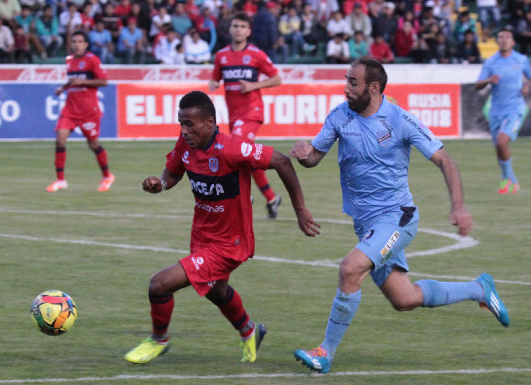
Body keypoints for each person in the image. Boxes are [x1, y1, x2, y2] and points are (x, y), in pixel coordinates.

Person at [290, 58, 510, 374]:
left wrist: (458, 207)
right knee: (404, 298)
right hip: (366, 225)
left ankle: (325, 352)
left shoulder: (400, 119)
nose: (346, 87)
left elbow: (445, 160)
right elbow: (314, 157)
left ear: (374, 87)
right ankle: (479, 288)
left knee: (350, 269)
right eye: (346, 80)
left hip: (397, 218)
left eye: (353, 82)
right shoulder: (339, 115)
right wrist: (303, 155)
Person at [124, 90, 320, 364]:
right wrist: (161, 184)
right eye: (181, 124)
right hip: (203, 237)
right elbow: (173, 171)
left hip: (230, 244)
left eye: (189, 124)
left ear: (210, 123)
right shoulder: (186, 144)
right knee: (216, 291)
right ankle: (249, 331)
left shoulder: (232, 148)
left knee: (159, 285)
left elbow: (281, 161)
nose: (184, 130)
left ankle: (159, 340)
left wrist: (300, 209)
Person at [209, 12, 284, 219]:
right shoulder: (221, 56)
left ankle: (242, 194)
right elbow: (214, 80)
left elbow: (277, 79)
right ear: (230, 29)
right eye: (235, 26)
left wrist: (254, 85)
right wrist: (213, 84)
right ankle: (271, 197)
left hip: (252, 111)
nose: (238, 30)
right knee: (246, 156)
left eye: (242, 26)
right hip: (234, 115)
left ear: (248, 31)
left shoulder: (256, 54)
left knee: (234, 151)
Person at [46, 31, 114, 193]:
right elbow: (73, 81)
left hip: (89, 111)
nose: (76, 44)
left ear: (86, 44)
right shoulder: (69, 61)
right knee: (60, 140)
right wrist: (63, 88)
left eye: (80, 41)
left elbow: (104, 81)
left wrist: (83, 81)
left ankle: (106, 176)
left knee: (93, 144)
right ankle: (60, 180)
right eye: (74, 41)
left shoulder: (92, 60)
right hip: (70, 109)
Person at [476, 27, 531, 194]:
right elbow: (478, 85)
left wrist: (527, 86)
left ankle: (511, 180)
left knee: (502, 141)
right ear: (497, 41)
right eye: (500, 37)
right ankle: (508, 179)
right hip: (495, 111)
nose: (504, 40)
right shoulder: (491, 62)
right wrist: (488, 80)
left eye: (507, 37)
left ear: (513, 42)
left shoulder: (520, 60)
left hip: (515, 108)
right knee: (499, 147)